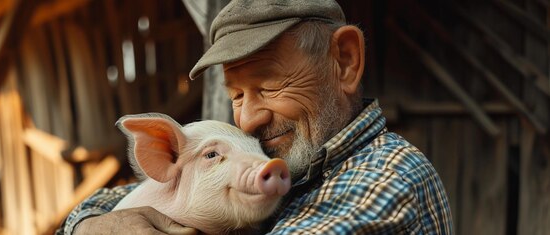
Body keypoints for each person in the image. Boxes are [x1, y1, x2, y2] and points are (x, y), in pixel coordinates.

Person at [57, 0, 454, 234]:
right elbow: (134, 199)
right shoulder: (295, 163)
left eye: (269, 86)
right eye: (236, 94)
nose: (247, 120)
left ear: (345, 61)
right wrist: (86, 224)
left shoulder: (385, 180)